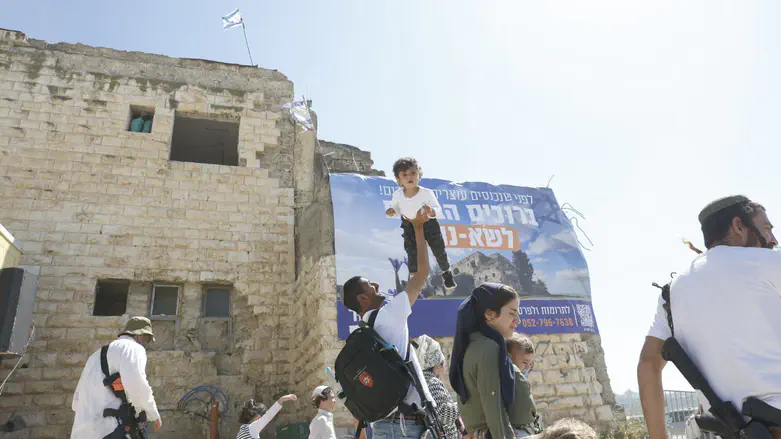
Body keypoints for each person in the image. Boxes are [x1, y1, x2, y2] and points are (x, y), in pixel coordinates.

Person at [637, 195, 781, 439]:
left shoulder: (670, 294)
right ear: (738, 226)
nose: (773, 239)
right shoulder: (768, 263)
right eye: (766, 229)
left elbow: (648, 366)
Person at [342, 207, 433, 439]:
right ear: (363, 299)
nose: (377, 286)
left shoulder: (364, 333)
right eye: (371, 286)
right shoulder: (390, 314)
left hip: (383, 427)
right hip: (405, 428)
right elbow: (422, 273)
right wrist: (419, 228)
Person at [70, 316, 162, 439]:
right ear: (139, 335)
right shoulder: (133, 348)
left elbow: (76, 401)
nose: (146, 343)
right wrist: (153, 414)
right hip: (111, 429)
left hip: (83, 431)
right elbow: (136, 385)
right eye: (147, 339)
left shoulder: (95, 355)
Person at [449, 283, 521, 439]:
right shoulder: (488, 348)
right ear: (489, 315)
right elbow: (493, 407)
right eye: (512, 313)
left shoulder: (474, 344)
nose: (518, 320)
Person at [385, 157, 456, 290]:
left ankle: (446, 272)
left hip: (429, 224)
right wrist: (391, 211)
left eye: (413, 173)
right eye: (404, 175)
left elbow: (439, 210)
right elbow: (395, 208)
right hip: (409, 225)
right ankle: (414, 279)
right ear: (398, 179)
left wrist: (432, 211)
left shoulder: (426, 193)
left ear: (419, 175)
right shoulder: (397, 195)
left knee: (438, 249)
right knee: (411, 251)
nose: (409, 177)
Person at [415, 335, 462, 439]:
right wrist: (464, 405)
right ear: (438, 365)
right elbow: (444, 413)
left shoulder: (421, 381)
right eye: (443, 364)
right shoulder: (432, 382)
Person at [506, 333, 542, 437]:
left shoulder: (521, 380)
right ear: (509, 358)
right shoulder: (509, 379)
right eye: (524, 362)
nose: (527, 367)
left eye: (530, 364)